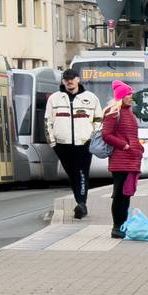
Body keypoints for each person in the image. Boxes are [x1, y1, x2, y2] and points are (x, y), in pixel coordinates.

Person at [43, 67, 103, 219]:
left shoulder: (91, 98)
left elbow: (99, 120)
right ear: (63, 81)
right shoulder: (54, 98)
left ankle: (81, 204)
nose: (69, 81)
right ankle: (80, 202)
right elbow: (47, 121)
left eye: (72, 78)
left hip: (84, 143)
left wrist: (92, 138)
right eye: (66, 79)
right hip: (62, 145)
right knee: (72, 174)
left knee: (82, 173)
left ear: (78, 79)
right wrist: (52, 143)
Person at [102, 81, 146, 234]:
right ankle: (117, 227)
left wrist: (138, 147)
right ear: (121, 96)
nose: (131, 96)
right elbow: (106, 135)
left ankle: (122, 226)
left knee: (126, 195)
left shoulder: (129, 113)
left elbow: (131, 135)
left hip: (131, 159)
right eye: (128, 94)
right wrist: (124, 146)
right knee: (120, 195)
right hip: (120, 160)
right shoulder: (114, 112)